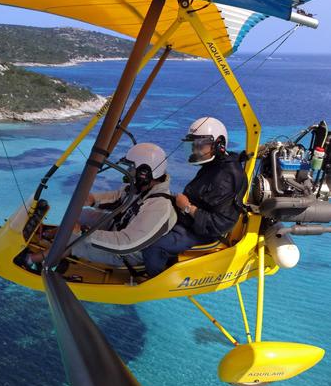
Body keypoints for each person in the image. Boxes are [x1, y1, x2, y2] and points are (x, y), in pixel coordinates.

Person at [27, 142, 177, 269]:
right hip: (118, 226)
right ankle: (49, 235)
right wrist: (92, 199)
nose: (128, 172)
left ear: (144, 173)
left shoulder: (159, 206)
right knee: (82, 214)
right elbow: (118, 197)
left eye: (131, 168)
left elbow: (127, 243)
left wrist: (83, 233)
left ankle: (33, 259)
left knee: (73, 242)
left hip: (126, 254)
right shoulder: (142, 189)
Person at [142, 117, 246, 277]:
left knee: (153, 246)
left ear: (218, 144)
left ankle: (153, 280)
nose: (195, 150)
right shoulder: (217, 163)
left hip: (200, 232)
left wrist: (188, 208)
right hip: (187, 220)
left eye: (200, 144)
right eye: (193, 145)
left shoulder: (226, 177)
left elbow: (220, 224)